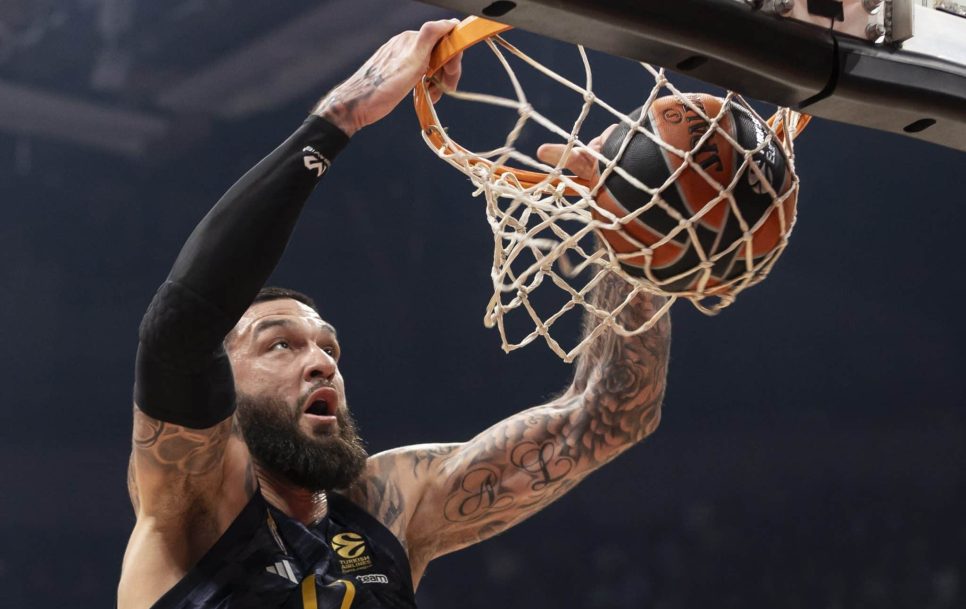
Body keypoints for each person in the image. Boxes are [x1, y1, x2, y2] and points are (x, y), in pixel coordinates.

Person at [118, 19, 671, 609]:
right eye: (280, 344)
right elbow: (181, 324)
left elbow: (610, 415)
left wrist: (634, 241)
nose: (320, 363)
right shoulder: (194, 502)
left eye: (328, 347)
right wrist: (341, 118)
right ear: (222, 385)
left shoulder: (387, 508)